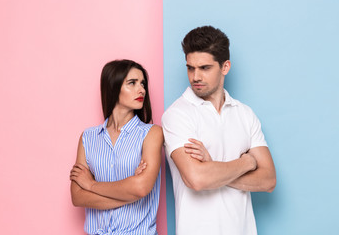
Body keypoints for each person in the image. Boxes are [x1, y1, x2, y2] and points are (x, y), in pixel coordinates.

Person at [161, 26, 276, 235]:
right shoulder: (177, 115)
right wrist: (247, 162)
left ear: (225, 67)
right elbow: (197, 179)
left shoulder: (245, 114)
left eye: (205, 68)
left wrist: (212, 167)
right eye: (190, 68)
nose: (195, 76)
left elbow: (268, 180)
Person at [70, 59, 163, 235]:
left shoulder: (151, 134)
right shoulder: (88, 138)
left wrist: (91, 185)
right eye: (132, 83)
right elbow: (77, 196)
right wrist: (129, 193)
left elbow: (141, 188)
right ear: (113, 86)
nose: (141, 89)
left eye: (142, 83)